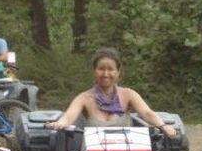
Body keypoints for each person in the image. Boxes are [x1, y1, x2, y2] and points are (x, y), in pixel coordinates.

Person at [49, 47, 177, 138]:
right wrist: (59, 124)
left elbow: (147, 113)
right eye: (101, 69)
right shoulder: (83, 98)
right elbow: (69, 116)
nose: (105, 74)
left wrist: (163, 126)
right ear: (94, 71)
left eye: (110, 69)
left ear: (118, 72)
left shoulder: (129, 95)